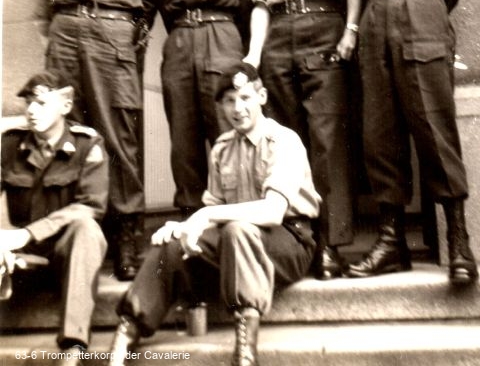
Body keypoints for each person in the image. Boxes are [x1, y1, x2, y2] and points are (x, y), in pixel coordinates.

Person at [107, 64, 320, 366]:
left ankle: (245, 352)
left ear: (262, 96)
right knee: (171, 243)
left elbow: (273, 212)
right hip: (237, 243)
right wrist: (185, 230)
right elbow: (213, 213)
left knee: (238, 229)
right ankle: (125, 335)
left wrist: (207, 216)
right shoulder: (222, 148)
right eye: (229, 101)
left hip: (289, 241)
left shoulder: (283, 141)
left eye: (245, 98)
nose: (238, 108)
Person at [346, 0, 478, 285]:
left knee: (434, 126)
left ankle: (458, 241)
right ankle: (392, 242)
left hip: (422, 10)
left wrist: (430, 10)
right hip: (376, 17)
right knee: (380, 133)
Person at [243, 0, 361, 280]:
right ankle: (300, 242)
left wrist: (351, 29)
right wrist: (253, 56)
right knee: (287, 142)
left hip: (323, 25)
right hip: (279, 36)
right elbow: (261, 4)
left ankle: (330, 245)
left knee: (327, 140)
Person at [43, 0, 157, 281]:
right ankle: (75, 237)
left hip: (113, 37)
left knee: (119, 137)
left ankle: (127, 235)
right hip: (67, 37)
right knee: (67, 134)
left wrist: (124, 39)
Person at [158, 0, 255, 219]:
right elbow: (166, 11)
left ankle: (237, 216)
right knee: (183, 139)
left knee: (227, 127)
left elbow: (247, 3)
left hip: (222, 39)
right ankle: (191, 220)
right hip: (180, 43)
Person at [1, 70, 109, 366]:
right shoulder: (10, 145)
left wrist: (27, 233)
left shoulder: (88, 145)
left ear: (65, 105)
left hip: (69, 255)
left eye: (41, 103)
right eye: (28, 103)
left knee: (87, 228)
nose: (32, 111)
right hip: (25, 258)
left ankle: (73, 348)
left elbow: (91, 206)